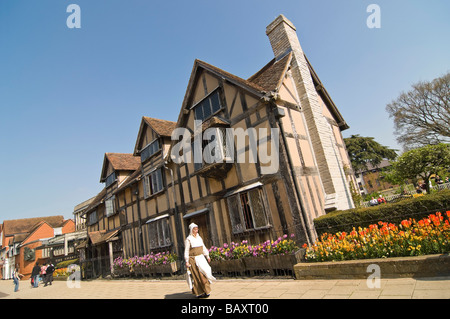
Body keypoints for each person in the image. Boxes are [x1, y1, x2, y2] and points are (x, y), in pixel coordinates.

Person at [184, 223, 216, 298]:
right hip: (193, 259)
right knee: (197, 276)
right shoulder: (188, 239)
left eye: (197, 229)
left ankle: (206, 291)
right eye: (195, 229)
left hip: (201, 258)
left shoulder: (199, 238)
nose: (196, 230)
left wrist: (207, 256)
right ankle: (199, 293)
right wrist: (187, 261)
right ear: (192, 230)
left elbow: (203, 247)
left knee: (204, 274)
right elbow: (186, 251)